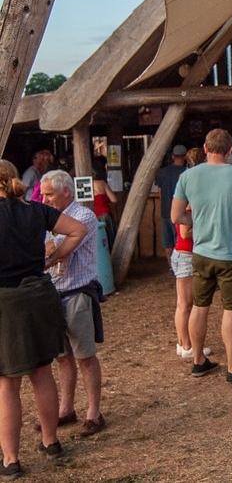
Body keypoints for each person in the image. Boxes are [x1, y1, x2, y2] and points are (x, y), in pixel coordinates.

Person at [0, 161, 87, 478]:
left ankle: (10, 459)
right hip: (39, 292)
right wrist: (50, 259)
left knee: (7, 382)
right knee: (42, 372)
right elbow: (79, 229)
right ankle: (51, 443)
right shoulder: (36, 211)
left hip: (6, 299)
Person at [171, 129, 232, 382]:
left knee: (199, 307)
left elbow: (176, 216)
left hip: (201, 251)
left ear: (205, 148)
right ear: (230, 150)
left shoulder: (188, 176)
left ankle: (198, 360)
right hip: (231, 252)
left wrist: (201, 219)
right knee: (231, 310)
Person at [40, 170, 107, 438]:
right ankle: (66, 409)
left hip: (78, 293)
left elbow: (57, 250)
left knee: (85, 356)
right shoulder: (49, 218)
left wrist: (49, 249)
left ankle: (94, 413)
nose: (44, 200)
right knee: (62, 357)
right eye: (43, 194)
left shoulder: (84, 217)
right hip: (54, 294)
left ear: (66, 191)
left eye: (50, 194)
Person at [170, 147, 212, 361]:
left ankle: (182, 342)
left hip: (184, 253)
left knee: (185, 303)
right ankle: (186, 344)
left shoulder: (185, 192)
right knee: (186, 303)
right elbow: (186, 231)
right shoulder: (188, 201)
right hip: (186, 253)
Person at [155, 144, 187, 265]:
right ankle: (180, 265)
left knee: (167, 242)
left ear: (173, 156)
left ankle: (171, 266)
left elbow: (160, 193)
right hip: (181, 212)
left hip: (166, 211)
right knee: (179, 240)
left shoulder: (162, 172)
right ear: (185, 157)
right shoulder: (186, 172)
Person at [92, 155, 117, 252]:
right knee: (108, 241)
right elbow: (114, 199)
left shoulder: (86, 183)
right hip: (105, 215)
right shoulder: (102, 183)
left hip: (93, 216)